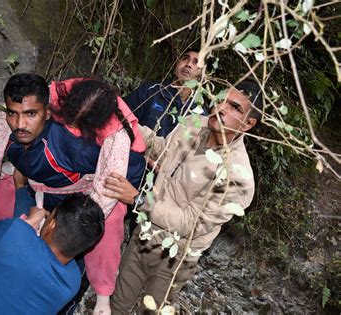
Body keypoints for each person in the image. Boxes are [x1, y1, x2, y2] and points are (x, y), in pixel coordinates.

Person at [105, 80, 263, 314]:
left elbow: (191, 224)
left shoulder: (237, 176)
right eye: (221, 100)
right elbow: (162, 150)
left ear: (249, 123)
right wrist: (127, 120)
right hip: (144, 235)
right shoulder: (193, 123)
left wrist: (139, 201)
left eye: (234, 107)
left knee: (150, 312)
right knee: (116, 305)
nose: (221, 109)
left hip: (174, 259)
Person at [4, 75, 146, 315]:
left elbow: (103, 198)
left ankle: (97, 298)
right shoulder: (55, 93)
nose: (74, 129)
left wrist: (70, 236)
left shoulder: (116, 139)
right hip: (62, 182)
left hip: (108, 185)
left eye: (82, 126)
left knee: (100, 229)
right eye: (71, 122)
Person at [124, 49, 203, 137]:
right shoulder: (151, 91)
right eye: (185, 59)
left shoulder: (199, 114)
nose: (188, 64)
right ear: (176, 64)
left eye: (195, 62)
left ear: (201, 75)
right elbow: (123, 118)